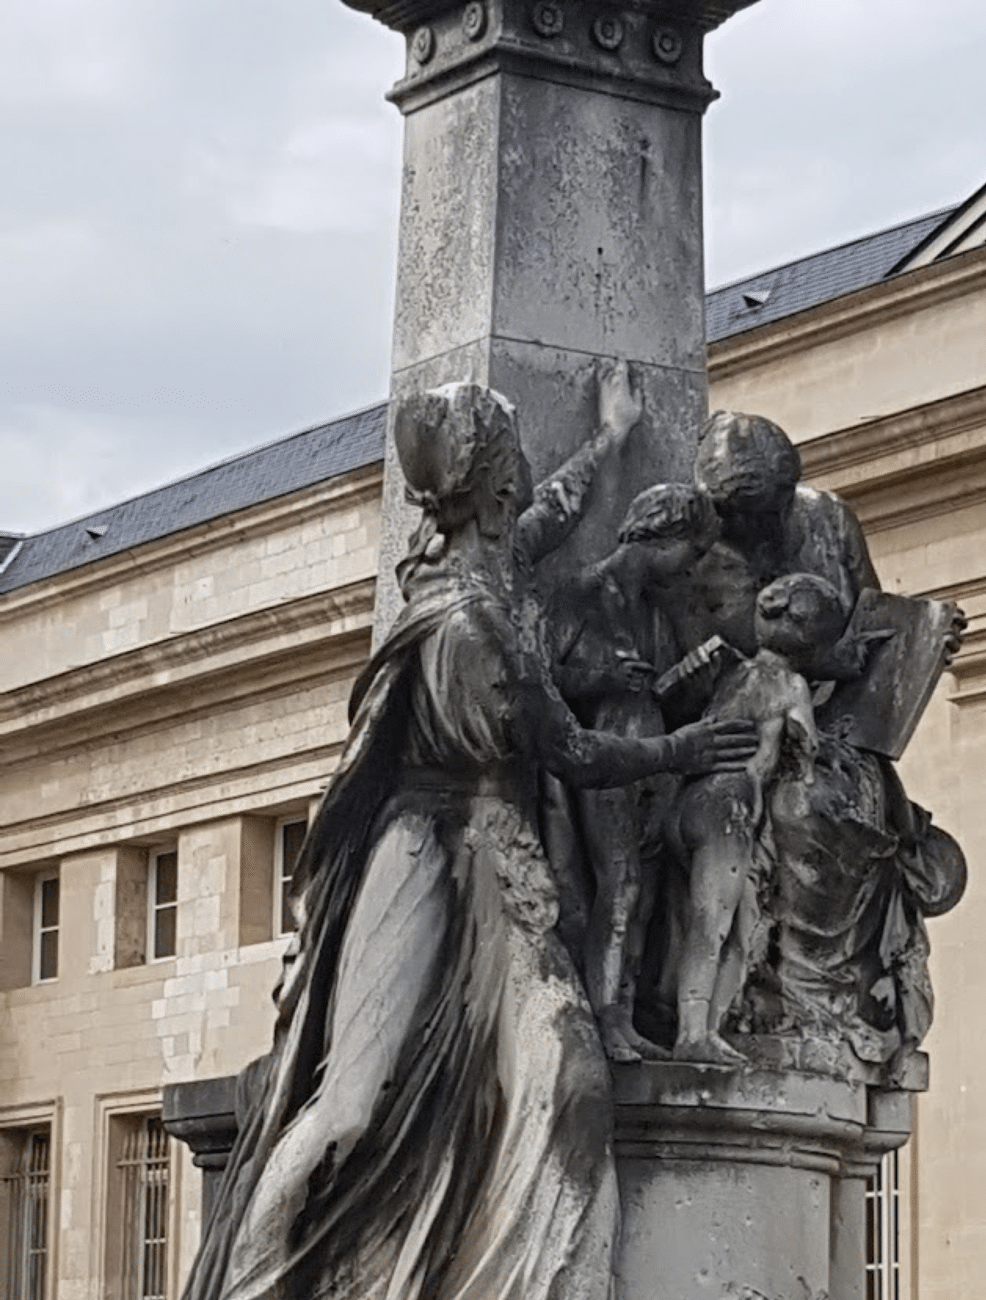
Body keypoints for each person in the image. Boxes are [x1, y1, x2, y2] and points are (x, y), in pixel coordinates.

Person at [180, 382, 757, 1300]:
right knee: (348, 1109)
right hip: (423, 859)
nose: (531, 475)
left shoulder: (493, 571)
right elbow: (571, 750)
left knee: (570, 1075)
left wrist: (610, 443)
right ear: (493, 492)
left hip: (503, 866)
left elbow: (552, 514)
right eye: (518, 461)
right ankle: (248, 1282)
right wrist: (684, 745)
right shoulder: (470, 619)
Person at [549, 484, 719, 1062]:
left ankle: (624, 1013)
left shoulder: (654, 610)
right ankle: (602, 1015)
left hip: (655, 749)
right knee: (617, 886)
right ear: (663, 536)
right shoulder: (583, 591)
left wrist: (683, 684)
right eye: (690, 553)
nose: (690, 569)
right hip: (605, 755)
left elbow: (661, 682)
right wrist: (602, 677)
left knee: (641, 897)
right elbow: (541, 683)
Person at [667, 572, 859, 1065]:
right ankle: (695, 1033)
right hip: (732, 807)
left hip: (690, 802)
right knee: (721, 922)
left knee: (714, 918)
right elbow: (806, 750)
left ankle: (700, 1028)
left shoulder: (736, 671)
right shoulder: (791, 684)